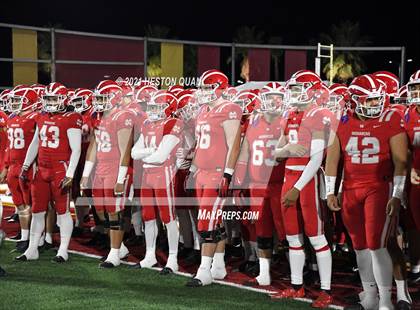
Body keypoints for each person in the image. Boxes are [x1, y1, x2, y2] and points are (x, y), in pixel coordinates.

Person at [325, 74, 408, 310]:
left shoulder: (390, 120)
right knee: (359, 245)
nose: (376, 105)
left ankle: (385, 300)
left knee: (376, 244)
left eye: (377, 100)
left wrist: (397, 194)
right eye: (370, 100)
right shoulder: (342, 122)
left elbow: (401, 162)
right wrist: (331, 191)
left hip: (378, 187)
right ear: (355, 100)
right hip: (351, 188)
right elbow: (333, 160)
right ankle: (370, 296)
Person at [186, 69, 242, 287]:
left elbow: (234, 144)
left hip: (217, 172)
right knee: (213, 220)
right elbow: (201, 145)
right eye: (202, 87)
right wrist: (192, 170)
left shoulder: (230, 109)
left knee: (205, 223)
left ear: (220, 87)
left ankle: (204, 271)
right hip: (202, 172)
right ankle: (219, 265)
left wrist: (227, 174)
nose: (203, 91)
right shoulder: (203, 110)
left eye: (208, 87)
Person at [16, 82, 82, 263]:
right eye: (48, 98)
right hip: (42, 170)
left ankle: (63, 250)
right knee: (37, 210)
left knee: (63, 211)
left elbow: (76, 149)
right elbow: (35, 143)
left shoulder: (71, 117)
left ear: (63, 99)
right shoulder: (41, 116)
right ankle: (32, 249)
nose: (51, 102)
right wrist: (26, 165)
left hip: (60, 169)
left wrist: (70, 174)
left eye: (54, 98)